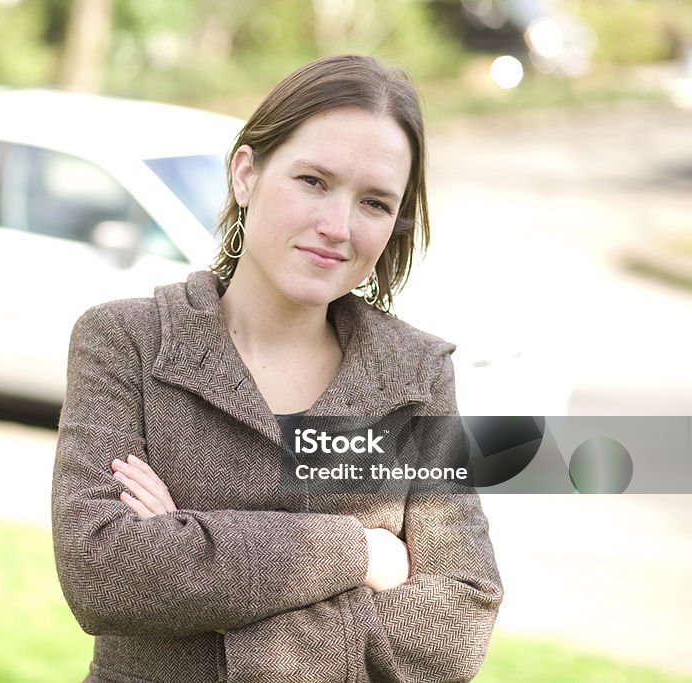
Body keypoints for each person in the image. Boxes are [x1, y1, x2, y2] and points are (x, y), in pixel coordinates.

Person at [52, 54, 502, 683]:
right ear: (246, 174)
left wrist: (189, 553)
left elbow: (458, 621)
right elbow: (103, 575)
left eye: (374, 203)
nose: (336, 227)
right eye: (313, 180)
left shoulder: (414, 375)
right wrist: (358, 554)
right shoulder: (127, 341)